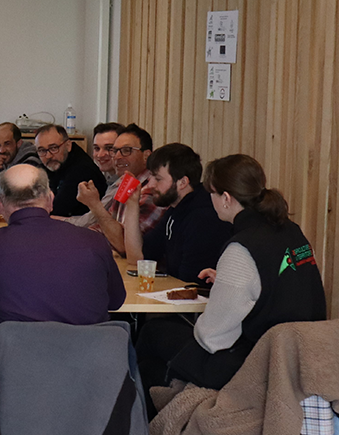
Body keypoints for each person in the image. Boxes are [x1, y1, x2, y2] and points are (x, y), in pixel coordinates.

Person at [136, 154, 327, 414]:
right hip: (303, 355)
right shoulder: (291, 230)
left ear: (226, 198)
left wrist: (229, 284)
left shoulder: (242, 248)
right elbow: (280, 278)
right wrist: (228, 279)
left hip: (256, 364)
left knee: (151, 336)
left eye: (210, 194)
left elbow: (212, 337)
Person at [0, 164, 125, 330]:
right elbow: (115, 300)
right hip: (89, 352)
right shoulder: (94, 241)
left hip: (14, 353)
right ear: (50, 198)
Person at [124, 143, 232, 282]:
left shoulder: (203, 218)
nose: (150, 185)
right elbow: (138, 258)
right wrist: (132, 204)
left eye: (158, 179)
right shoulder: (176, 209)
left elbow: (191, 284)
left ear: (182, 182)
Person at [71, 124, 166, 253]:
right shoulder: (126, 182)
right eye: (115, 151)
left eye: (126, 150)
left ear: (146, 156)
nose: (117, 157)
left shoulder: (152, 189)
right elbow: (103, 227)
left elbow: (126, 246)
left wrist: (94, 204)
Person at [34, 124, 107, 217]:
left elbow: (57, 209)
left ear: (68, 145)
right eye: (41, 150)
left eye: (53, 148)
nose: (48, 155)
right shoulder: (54, 162)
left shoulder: (81, 169)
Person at [0, 122, 44, 202]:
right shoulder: (1, 163)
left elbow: (19, 200)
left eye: (7, 144)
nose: (1, 150)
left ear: (19, 144)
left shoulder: (30, 162)